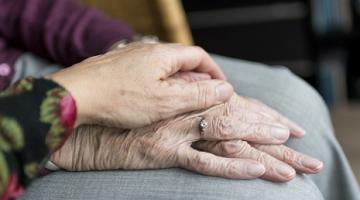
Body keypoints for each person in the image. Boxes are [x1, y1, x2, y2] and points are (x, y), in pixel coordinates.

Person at [0, 1, 359, 200]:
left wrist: (128, 52)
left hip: (27, 66)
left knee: (294, 105)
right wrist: (70, 136)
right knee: (274, 193)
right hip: (14, 151)